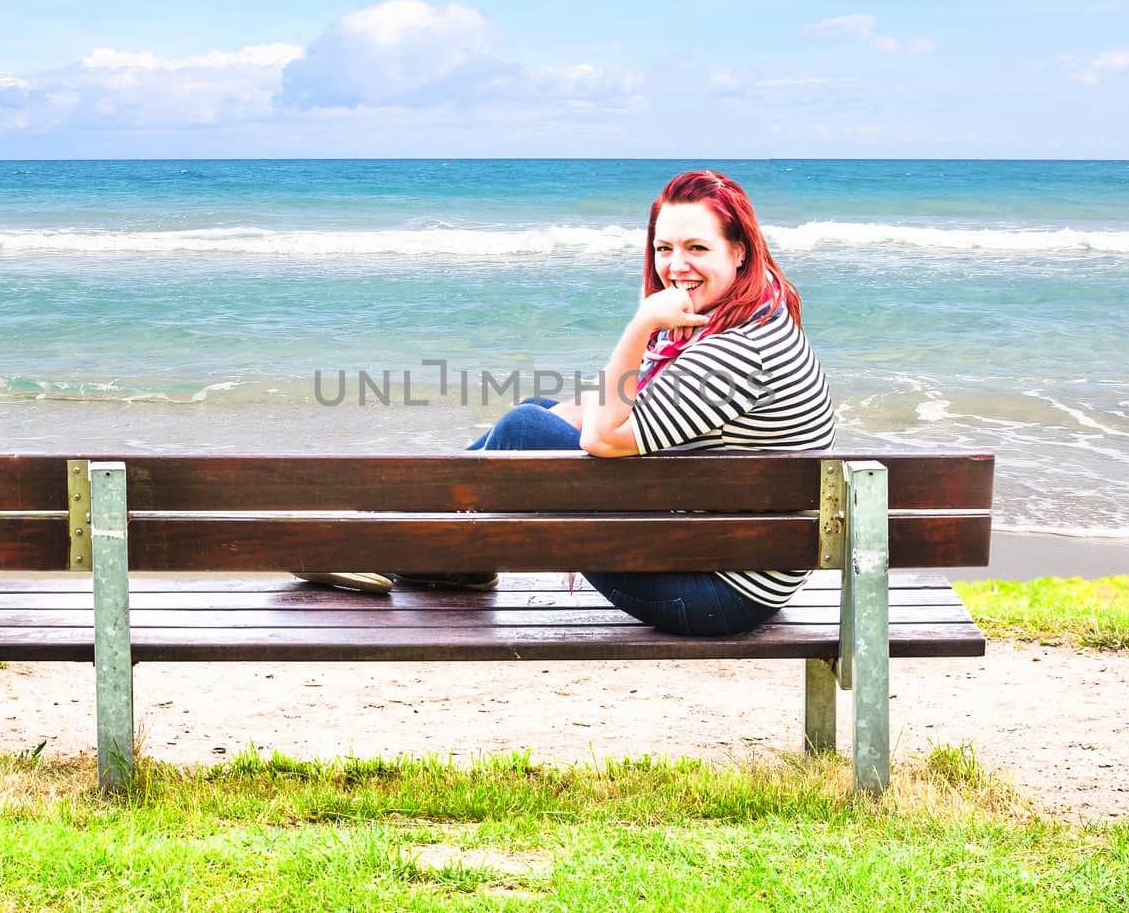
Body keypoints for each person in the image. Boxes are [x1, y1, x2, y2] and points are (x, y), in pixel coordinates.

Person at [302, 170, 835, 635]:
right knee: (538, 413)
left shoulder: (733, 353)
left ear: (739, 249)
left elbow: (604, 436)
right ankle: (425, 545)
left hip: (714, 592)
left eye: (698, 248)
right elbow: (632, 403)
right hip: (739, 561)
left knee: (524, 428)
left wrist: (641, 323)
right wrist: (552, 419)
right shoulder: (756, 317)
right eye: (664, 248)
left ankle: (381, 538)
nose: (676, 266)